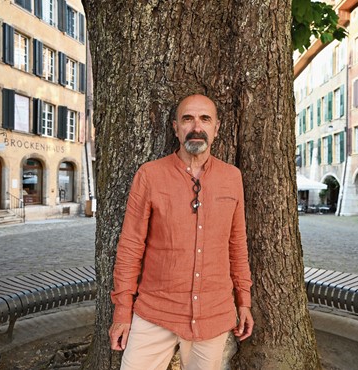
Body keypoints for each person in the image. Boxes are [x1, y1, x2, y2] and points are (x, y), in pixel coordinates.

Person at [109, 94, 254, 370]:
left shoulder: (231, 177)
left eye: (205, 119)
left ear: (216, 127)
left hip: (214, 312)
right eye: (187, 119)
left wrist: (243, 301)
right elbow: (130, 247)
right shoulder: (150, 175)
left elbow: (237, 245)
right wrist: (122, 312)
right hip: (155, 312)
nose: (196, 127)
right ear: (175, 128)